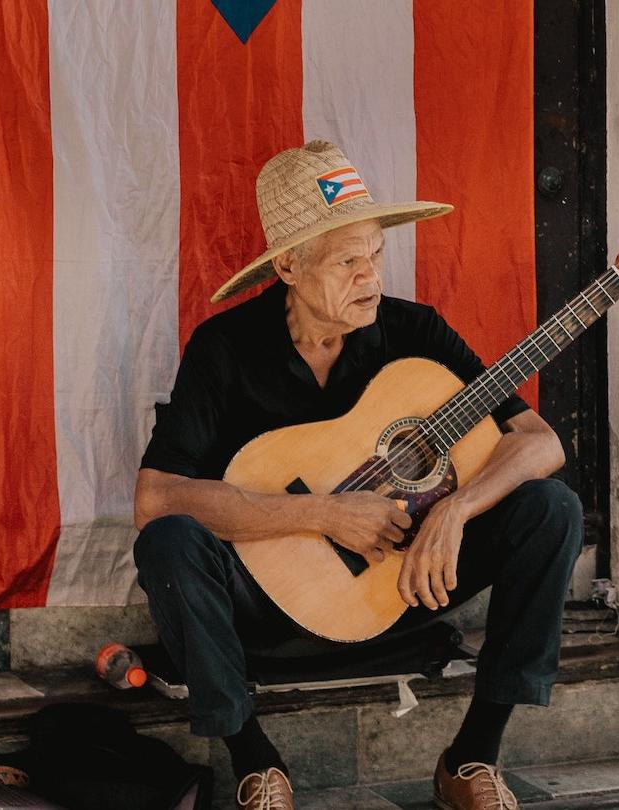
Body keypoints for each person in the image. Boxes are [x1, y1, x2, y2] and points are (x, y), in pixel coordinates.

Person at [133, 140, 583, 810]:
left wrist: (456, 512)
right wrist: (319, 514)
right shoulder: (225, 349)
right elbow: (156, 497)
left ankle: (471, 759)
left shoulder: (415, 332)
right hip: (264, 614)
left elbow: (538, 441)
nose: (370, 276)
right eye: (348, 261)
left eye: (375, 253)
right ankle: (257, 765)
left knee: (552, 508)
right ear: (289, 265)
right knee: (167, 543)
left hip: (397, 594)